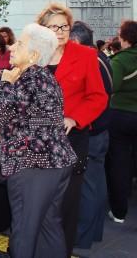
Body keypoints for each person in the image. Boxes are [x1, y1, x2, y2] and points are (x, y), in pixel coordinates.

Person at [0, 23, 77, 258]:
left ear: (34, 55)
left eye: (20, 43)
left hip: (33, 165)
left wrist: (5, 82)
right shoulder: (44, 78)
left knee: (24, 232)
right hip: (56, 161)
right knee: (49, 227)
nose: (13, 46)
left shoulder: (27, 81)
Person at [35, 3, 107, 256]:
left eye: (65, 26)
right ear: (42, 30)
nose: (61, 31)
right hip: (36, 141)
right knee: (37, 203)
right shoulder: (33, 55)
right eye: (54, 26)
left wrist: (75, 119)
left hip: (71, 139)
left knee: (66, 203)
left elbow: (98, 97)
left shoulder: (86, 55)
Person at [69, 21, 113, 248]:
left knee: (86, 187)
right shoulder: (101, 58)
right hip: (101, 130)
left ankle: (82, 237)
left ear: (75, 41)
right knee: (96, 184)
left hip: (92, 131)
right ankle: (93, 232)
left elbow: (94, 98)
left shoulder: (89, 61)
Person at [106, 20, 137, 224]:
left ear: (125, 38)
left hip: (121, 115)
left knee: (119, 162)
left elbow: (111, 86)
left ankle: (119, 212)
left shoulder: (120, 60)